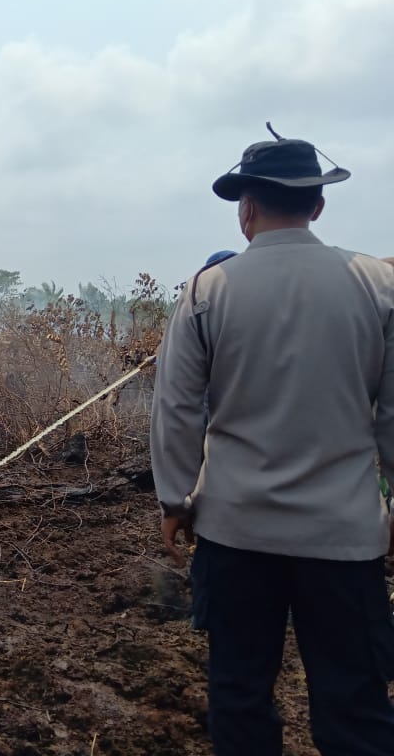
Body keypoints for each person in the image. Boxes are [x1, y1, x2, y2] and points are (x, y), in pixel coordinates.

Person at [150, 133, 394, 754]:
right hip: (345, 537)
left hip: (237, 536)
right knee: (355, 706)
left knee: (239, 696)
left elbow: (176, 407)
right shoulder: (378, 286)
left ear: (246, 208)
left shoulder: (207, 291)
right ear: (317, 206)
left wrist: (176, 500)